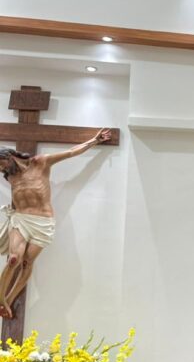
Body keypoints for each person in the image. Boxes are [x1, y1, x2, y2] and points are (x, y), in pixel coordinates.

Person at [0, 128, 112, 318]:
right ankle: (1, 298)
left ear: (9, 156)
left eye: (1, 165)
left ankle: (8, 301)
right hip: (21, 219)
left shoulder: (41, 162)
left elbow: (71, 152)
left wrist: (94, 140)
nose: (2, 170)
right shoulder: (10, 176)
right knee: (13, 259)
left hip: (43, 222)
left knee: (27, 263)